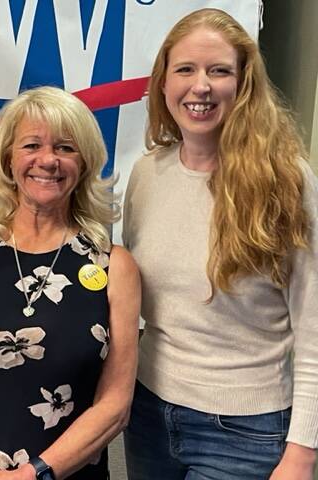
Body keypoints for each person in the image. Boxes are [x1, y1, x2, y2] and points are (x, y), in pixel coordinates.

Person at [122, 8, 318, 480]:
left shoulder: (286, 180)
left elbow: (314, 327)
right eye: (185, 69)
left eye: (219, 71)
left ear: (244, 83)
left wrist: (303, 451)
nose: (201, 86)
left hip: (244, 432)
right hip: (148, 414)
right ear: (164, 83)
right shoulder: (148, 173)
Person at [0, 86, 140, 480]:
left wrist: (35, 474)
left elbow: (115, 404)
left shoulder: (114, 266)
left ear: (85, 162)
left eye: (65, 148)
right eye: (32, 145)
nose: (48, 161)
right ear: (8, 158)